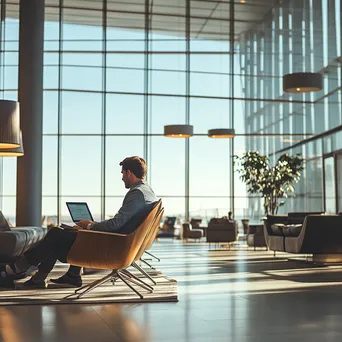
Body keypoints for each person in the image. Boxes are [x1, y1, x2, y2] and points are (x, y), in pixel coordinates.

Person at [0, 156, 158, 289]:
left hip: (114, 247)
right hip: (120, 243)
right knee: (61, 234)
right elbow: (120, 224)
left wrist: (90, 226)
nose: (122, 177)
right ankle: (67, 276)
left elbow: (115, 225)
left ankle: (21, 268)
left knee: (55, 235)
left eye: (123, 173)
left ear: (129, 173)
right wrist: (90, 226)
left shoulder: (136, 194)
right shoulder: (148, 192)